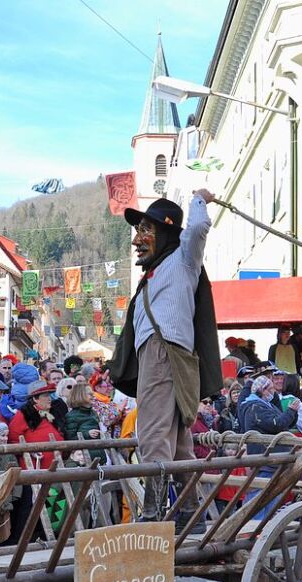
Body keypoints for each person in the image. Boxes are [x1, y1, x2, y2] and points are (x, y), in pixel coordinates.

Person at [112, 190, 221, 521]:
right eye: (138, 231)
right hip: (163, 354)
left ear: (168, 232)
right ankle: (191, 511)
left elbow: (199, 227)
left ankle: (154, 512)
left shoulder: (183, 259)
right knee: (177, 442)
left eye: (146, 230)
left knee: (153, 433)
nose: (137, 241)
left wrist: (199, 198)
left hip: (163, 353)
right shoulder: (155, 272)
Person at [237, 375, 299, 520]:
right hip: (265, 459)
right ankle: (252, 527)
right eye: (271, 389)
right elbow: (277, 424)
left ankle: (263, 528)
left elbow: (285, 423)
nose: (274, 392)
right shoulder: (255, 407)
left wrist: (292, 413)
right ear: (263, 390)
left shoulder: (264, 405)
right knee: (259, 497)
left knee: (270, 496)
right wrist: (290, 411)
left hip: (271, 459)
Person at [9, 381, 64, 469]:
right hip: (35, 469)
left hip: (55, 467)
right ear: (35, 399)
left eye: (49, 395)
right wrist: (30, 451)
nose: (50, 399)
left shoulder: (51, 414)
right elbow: (13, 441)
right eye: (46, 396)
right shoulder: (23, 415)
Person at [63, 382, 105, 461]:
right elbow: (70, 439)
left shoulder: (94, 413)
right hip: (83, 459)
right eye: (89, 394)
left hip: (99, 455)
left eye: (92, 393)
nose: (93, 396)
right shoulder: (72, 416)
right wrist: (87, 434)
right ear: (80, 395)